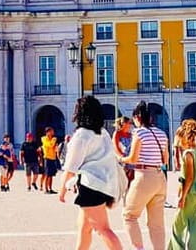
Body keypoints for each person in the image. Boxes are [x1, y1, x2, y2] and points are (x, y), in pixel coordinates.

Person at [59, 96, 126, 250]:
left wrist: (61, 191)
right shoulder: (103, 133)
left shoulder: (81, 135)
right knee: (85, 228)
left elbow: (70, 167)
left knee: (102, 228)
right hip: (104, 184)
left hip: (90, 186)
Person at [118, 100, 169, 250]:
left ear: (137, 117)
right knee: (157, 224)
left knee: (130, 216)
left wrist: (120, 158)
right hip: (160, 177)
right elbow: (165, 159)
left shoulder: (138, 132)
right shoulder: (161, 133)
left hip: (144, 176)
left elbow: (133, 158)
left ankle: (139, 248)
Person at [168, 119, 196, 250]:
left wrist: (182, 196)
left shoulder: (188, 154)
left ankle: (175, 248)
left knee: (178, 224)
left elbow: (188, 178)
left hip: (190, 192)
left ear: (183, 137)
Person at [112, 117, 135, 189]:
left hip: (130, 160)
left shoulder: (130, 135)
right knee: (122, 182)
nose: (131, 125)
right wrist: (123, 158)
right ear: (124, 124)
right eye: (129, 123)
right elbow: (116, 147)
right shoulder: (117, 133)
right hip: (121, 160)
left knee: (131, 181)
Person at [41, 127, 60, 194]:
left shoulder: (53, 139)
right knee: (47, 174)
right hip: (47, 158)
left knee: (51, 175)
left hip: (53, 158)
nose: (53, 132)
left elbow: (55, 148)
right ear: (47, 132)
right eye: (52, 131)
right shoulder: (43, 138)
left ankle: (50, 188)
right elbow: (49, 145)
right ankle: (46, 189)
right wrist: (53, 141)